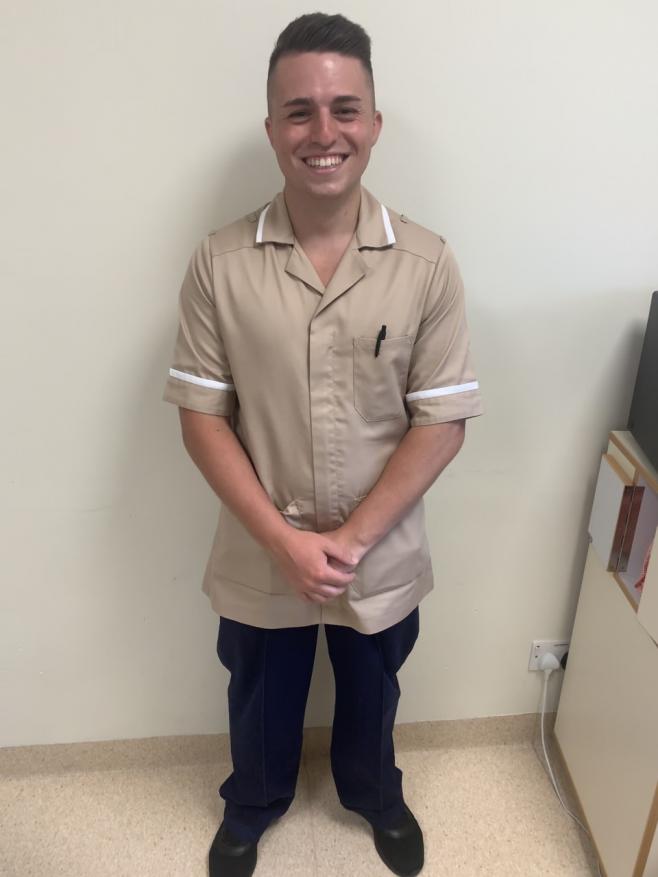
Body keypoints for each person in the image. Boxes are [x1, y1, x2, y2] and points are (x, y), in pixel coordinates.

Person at [163, 12, 483, 877]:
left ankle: (374, 793)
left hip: (377, 550)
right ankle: (254, 802)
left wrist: (346, 542)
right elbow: (201, 417)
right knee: (260, 691)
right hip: (262, 544)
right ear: (271, 128)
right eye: (299, 111)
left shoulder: (426, 263)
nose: (323, 132)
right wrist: (286, 541)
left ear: (375, 123)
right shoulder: (219, 262)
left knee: (375, 688)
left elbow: (440, 420)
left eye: (345, 108)